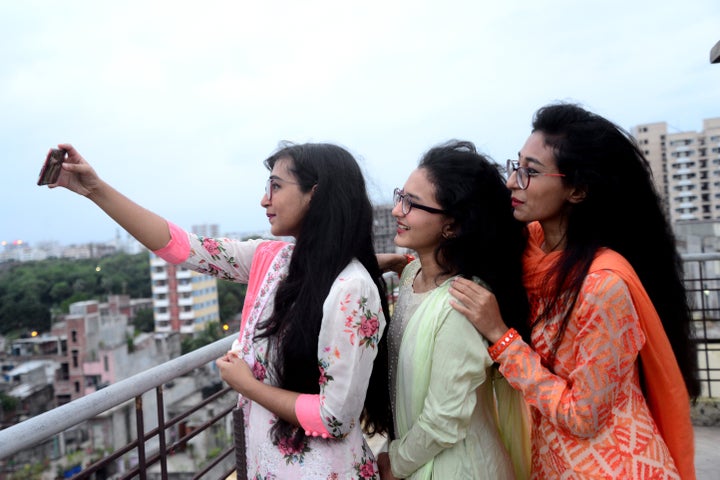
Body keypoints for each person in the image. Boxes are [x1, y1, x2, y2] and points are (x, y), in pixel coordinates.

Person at [45, 142, 392, 479]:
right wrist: (95, 190)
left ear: (314, 194)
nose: (264, 199)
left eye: (275, 186)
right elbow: (182, 247)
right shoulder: (275, 261)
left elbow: (335, 416)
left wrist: (247, 385)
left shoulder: (352, 288)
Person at [449, 103, 700, 479]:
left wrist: (502, 337)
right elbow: (480, 254)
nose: (513, 182)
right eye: (516, 166)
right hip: (553, 463)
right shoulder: (532, 247)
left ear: (578, 190)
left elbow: (584, 417)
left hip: (615, 467)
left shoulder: (603, 285)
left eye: (530, 172)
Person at [377, 140, 532, 480]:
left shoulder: (462, 301)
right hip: (423, 459)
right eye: (400, 197)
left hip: (460, 467)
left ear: (453, 225)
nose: (396, 211)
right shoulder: (410, 274)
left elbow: (444, 419)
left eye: (412, 204)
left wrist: (393, 464)